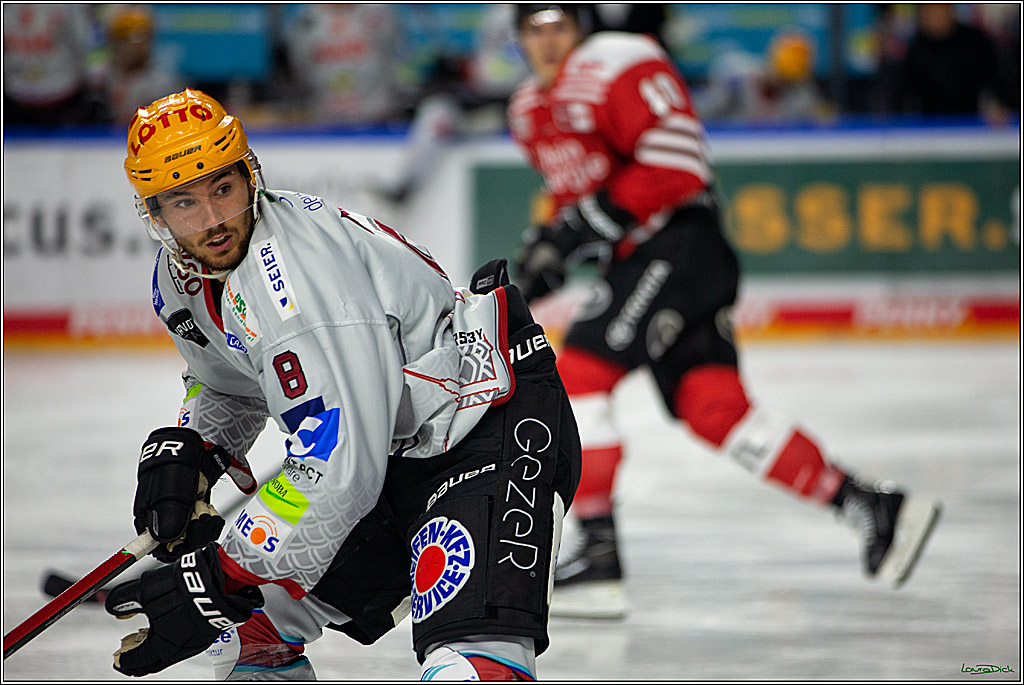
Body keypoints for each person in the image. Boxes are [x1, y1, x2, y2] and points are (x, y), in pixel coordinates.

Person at [102, 88, 580, 680]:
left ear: (249, 176)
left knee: (471, 668)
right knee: (245, 636)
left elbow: (337, 466)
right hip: (390, 450)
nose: (213, 220)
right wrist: (196, 449)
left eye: (223, 190)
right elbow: (229, 383)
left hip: (487, 431)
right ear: (154, 215)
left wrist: (224, 569)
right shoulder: (182, 279)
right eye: (184, 203)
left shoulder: (297, 283)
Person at [507, 4, 942, 620]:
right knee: (713, 410)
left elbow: (678, 167)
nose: (549, 41)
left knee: (578, 377)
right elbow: (574, 194)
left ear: (583, 31)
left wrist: (578, 227)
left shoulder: (619, 63)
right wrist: (554, 238)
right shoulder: (527, 109)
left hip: (678, 248)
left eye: (560, 26)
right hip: (653, 259)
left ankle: (599, 557)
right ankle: (868, 504)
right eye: (535, 28)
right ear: (518, 37)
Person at [889, 3, 1014, 124]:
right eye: (929, 9)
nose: (935, 15)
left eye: (939, 8)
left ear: (950, 10)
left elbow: (996, 81)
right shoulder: (915, 48)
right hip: (929, 129)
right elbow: (901, 95)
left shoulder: (975, 42)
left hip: (972, 127)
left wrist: (998, 104)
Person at [95, 6, 184, 125]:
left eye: (142, 39)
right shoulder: (100, 80)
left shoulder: (165, 85)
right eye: (125, 40)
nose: (135, 47)